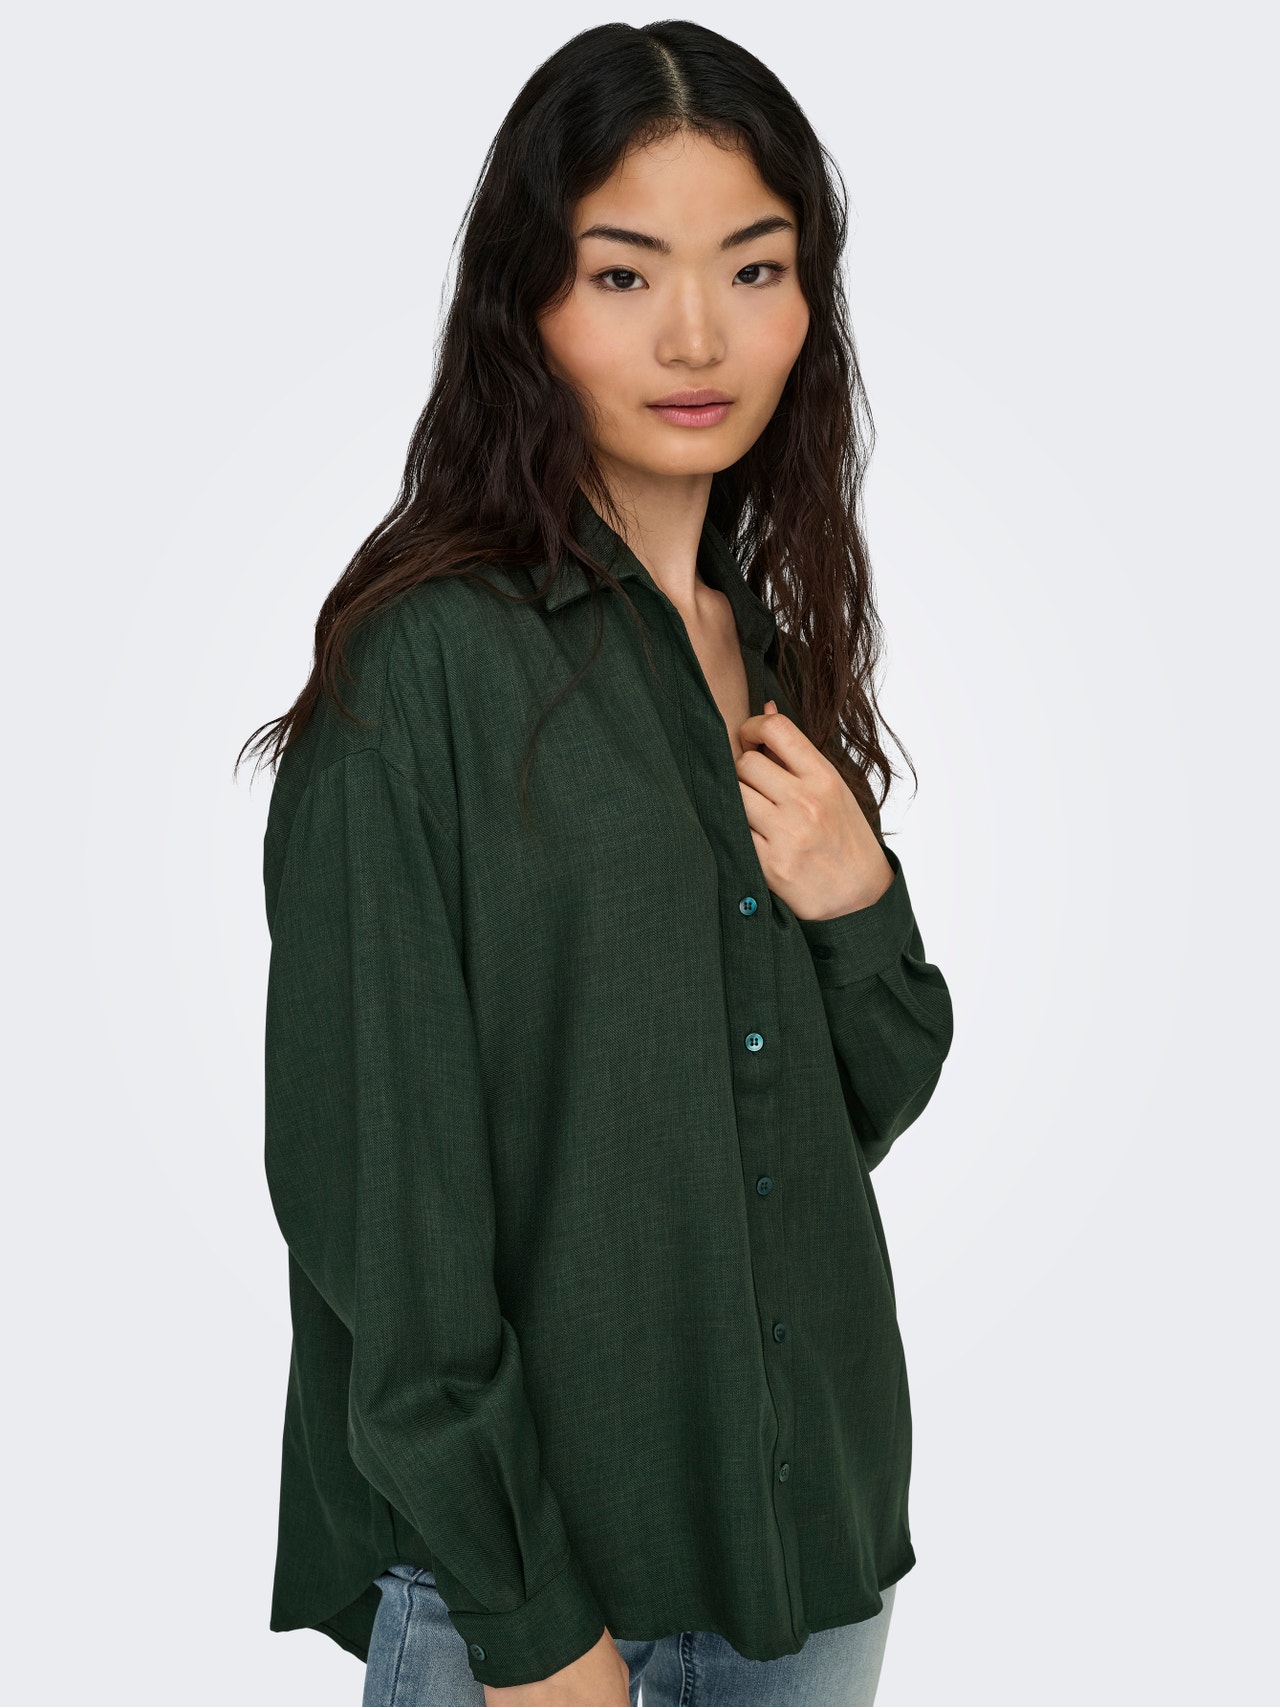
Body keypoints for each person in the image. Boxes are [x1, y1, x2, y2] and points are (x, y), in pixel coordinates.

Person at [238, 19, 954, 1707]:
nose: (698, 335)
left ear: (808, 301)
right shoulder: (425, 674)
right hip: (535, 1613)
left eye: (753, 268)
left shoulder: (765, 655)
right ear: (529, 303)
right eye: (625, 274)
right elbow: (378, 1215)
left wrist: (860, 905)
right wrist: (534, 1628)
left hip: (813, 1568)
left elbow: (829, 1117)